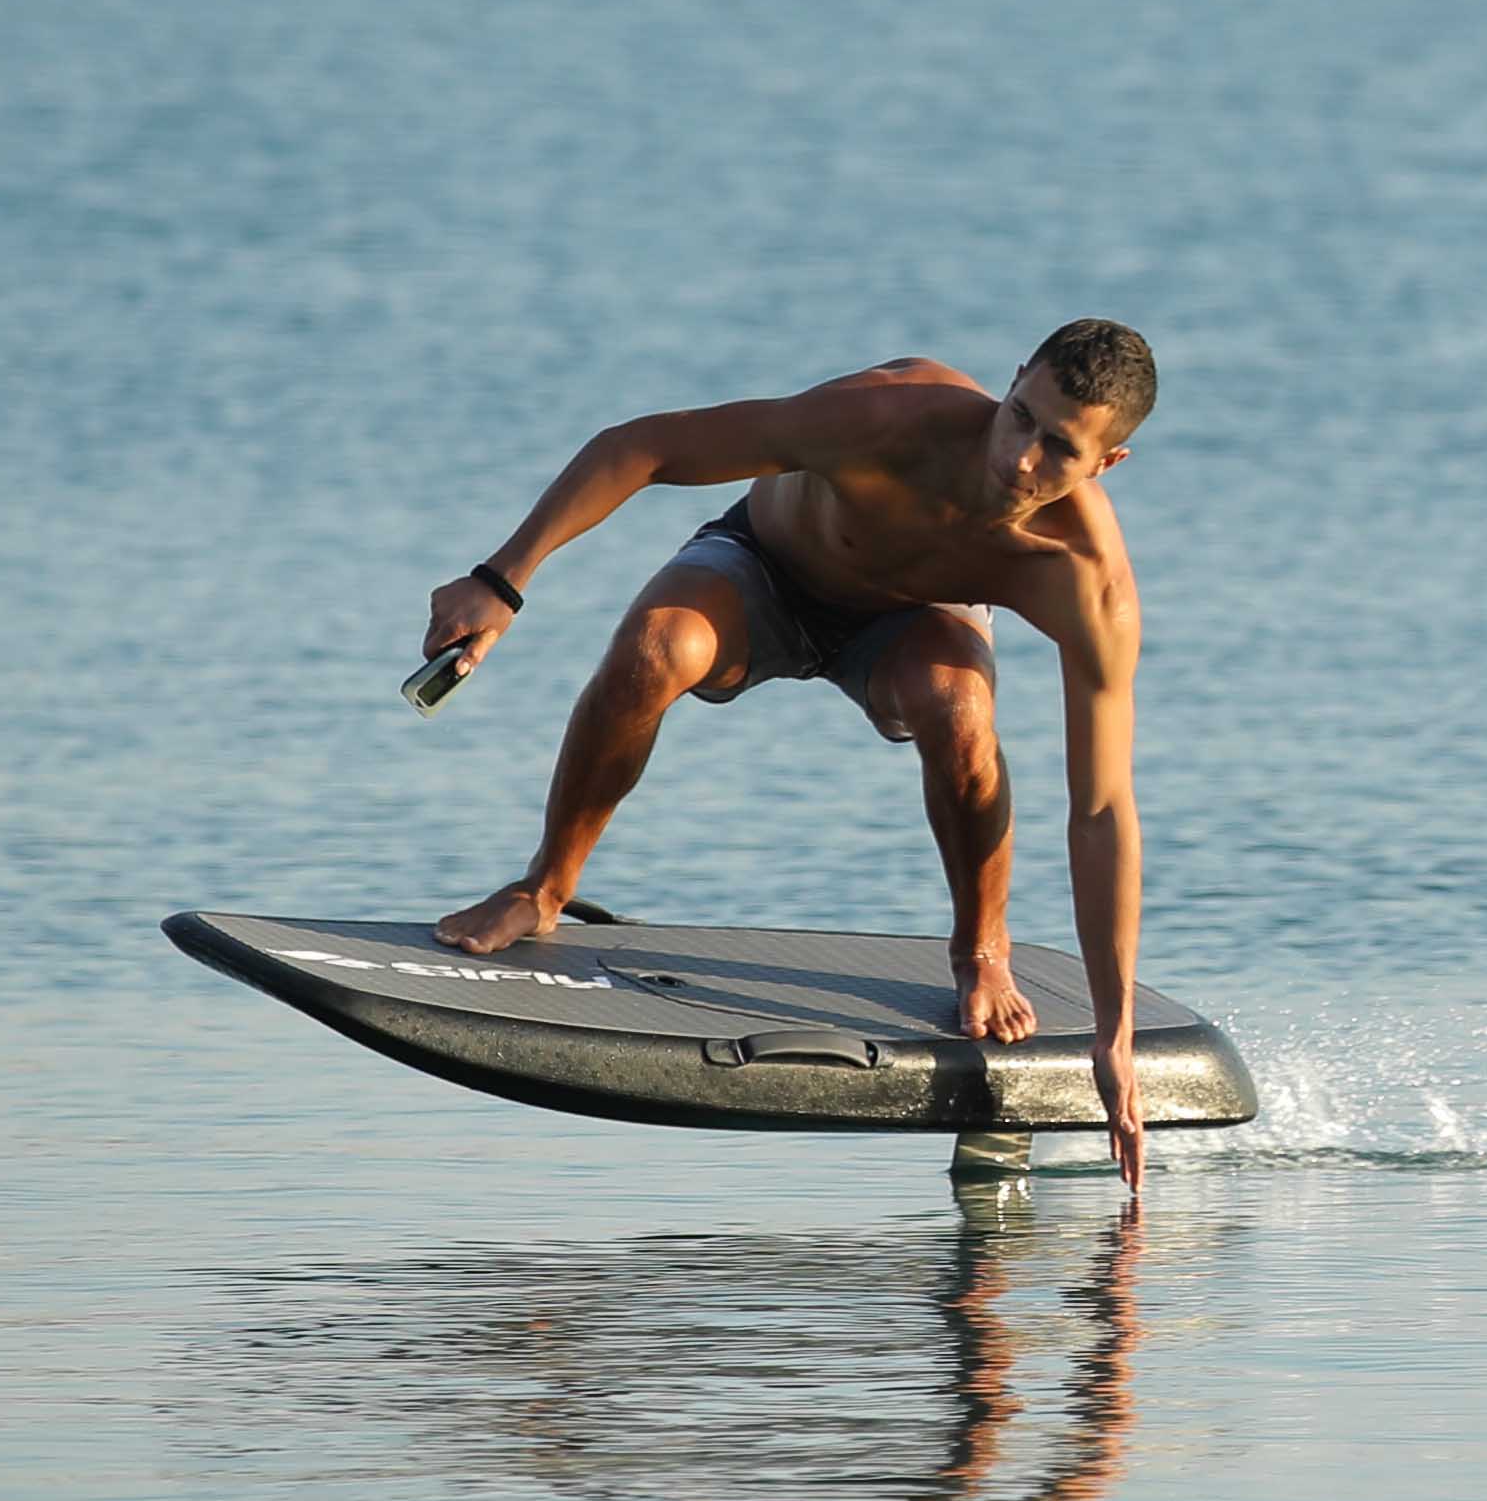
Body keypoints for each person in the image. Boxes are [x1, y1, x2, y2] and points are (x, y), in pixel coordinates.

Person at [412, 320, 1164, 1185]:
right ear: (1014, 376)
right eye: (1021, 415)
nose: (1023, 457)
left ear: (1106, 465)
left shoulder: (1082, 577)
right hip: (765, 568)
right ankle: (543, 888)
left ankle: (980, 950)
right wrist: (504, 579)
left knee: (960, 714)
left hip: (914, 619)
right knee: (654, 652)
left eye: (1061, 448)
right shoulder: (890, 416)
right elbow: (645, 445)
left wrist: (1113, 1034)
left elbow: (1103, 809)